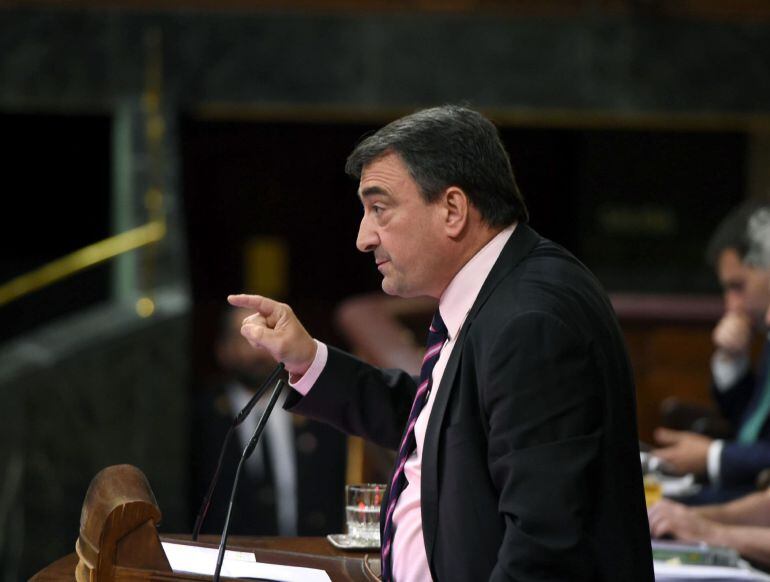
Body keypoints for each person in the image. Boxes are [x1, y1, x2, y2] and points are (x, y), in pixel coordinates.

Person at [229, 105, 653, 581]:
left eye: (379, 208)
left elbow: (545, 547)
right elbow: (445, 423)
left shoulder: (531, 321)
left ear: (452, 209)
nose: (363, 238)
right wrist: (309, 360)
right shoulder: (500, 290)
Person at [190, 307, 346, 536]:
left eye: (266, 336)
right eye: (246, 338)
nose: (258, 350)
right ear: (222, 349)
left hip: (307, 560)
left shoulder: (317, 411)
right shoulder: (201, 418)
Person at [652, 203, 770, 503]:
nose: (731, 305)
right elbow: (752, 429)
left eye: (738, 286)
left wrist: (713, 456)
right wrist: (732, 361)